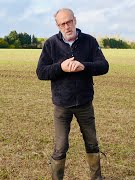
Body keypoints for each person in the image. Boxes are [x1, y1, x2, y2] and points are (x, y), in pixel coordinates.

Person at [36, 8, 109, 180]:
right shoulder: (50, 44)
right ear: (57, 25)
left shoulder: (90, 41)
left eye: (69, 22)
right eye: (62, 24)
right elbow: (41, 72)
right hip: (62, 105)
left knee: (92, 143)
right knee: (60, 147)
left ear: (75, 20)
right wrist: (60, 67)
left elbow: (104, 66)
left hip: (84, 103)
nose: (67, 26)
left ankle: (96, 178)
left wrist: (85, 66)